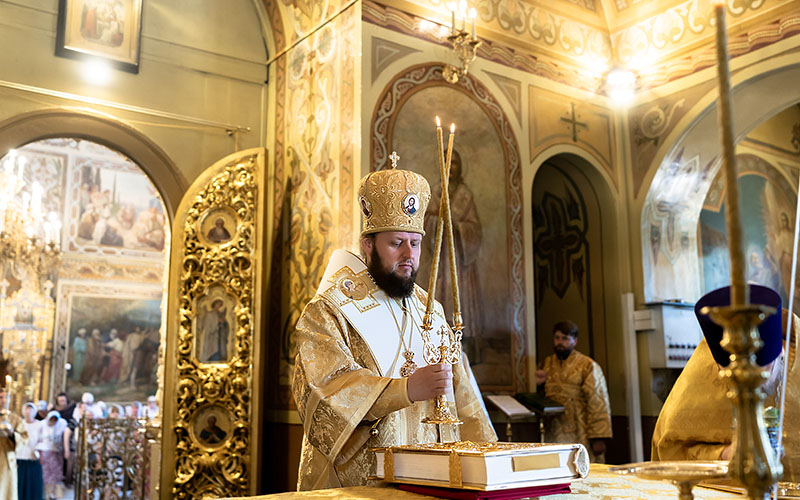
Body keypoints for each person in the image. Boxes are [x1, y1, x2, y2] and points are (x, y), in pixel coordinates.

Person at [292, 157, 496, 490]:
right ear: (367, 245)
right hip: (363, 487)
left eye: (414, 243)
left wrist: (488, 469)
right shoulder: (330, 311)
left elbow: (466, 398)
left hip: (436, 482)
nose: (408, 255)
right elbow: (324, 395)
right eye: (395, 243)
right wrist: (406, 390)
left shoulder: (429, 309)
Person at [651, 284, 800, 478]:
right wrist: (723, 455)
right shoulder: (702, 371)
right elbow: (669, 448)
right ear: (718, 365)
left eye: (760, 372)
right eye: (732, 374)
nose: (746, 384)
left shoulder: (792, 359)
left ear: (780, 353)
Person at [423, 149, 483, 354]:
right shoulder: (436, 192)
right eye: (448, 162)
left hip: (461, 259)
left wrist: (459, 227)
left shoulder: (466, 195)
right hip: (441, 256)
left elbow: (474, 228)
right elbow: (426, 222)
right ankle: (440, 344)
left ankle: (464, 348)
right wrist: (438, 222)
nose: (452, 167)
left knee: (461, 297)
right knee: (441, 295)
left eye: (455, 163)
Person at [535, 320, 612, 462]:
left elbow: (597, 401)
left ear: (574, 341)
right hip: (553, 427)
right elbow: (539, 398)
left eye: (565, 338)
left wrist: (598, 437)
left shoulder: (587, 365)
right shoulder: (546, 363)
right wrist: (538, 385)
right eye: (557, 338)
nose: (560, 342)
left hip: (579, 427)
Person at [0, 390, 26, 499]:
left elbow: (24, 438)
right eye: (0, 397)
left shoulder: (15, 419)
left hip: (6, 461)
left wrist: (11, 433)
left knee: (5, 492)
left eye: (5, 398)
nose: (2, 400)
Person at [37, 411, 67, 500]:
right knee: (44, 474)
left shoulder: (60, 425)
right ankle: (42, 493)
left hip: (55, 453)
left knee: (53, 475)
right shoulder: (42, 425)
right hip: (44, 453)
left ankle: (52, 493)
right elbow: (38, 439)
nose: (53, 422)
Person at [17, 403, 44, 500]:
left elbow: (42, 440)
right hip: (20, 456)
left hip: (33, 457)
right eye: (26, 409)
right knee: (20, 482)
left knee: (33, 483)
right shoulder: (19, 423)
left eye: (31, 409)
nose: (28, 412)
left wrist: (39, 453)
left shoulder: (39, 424)